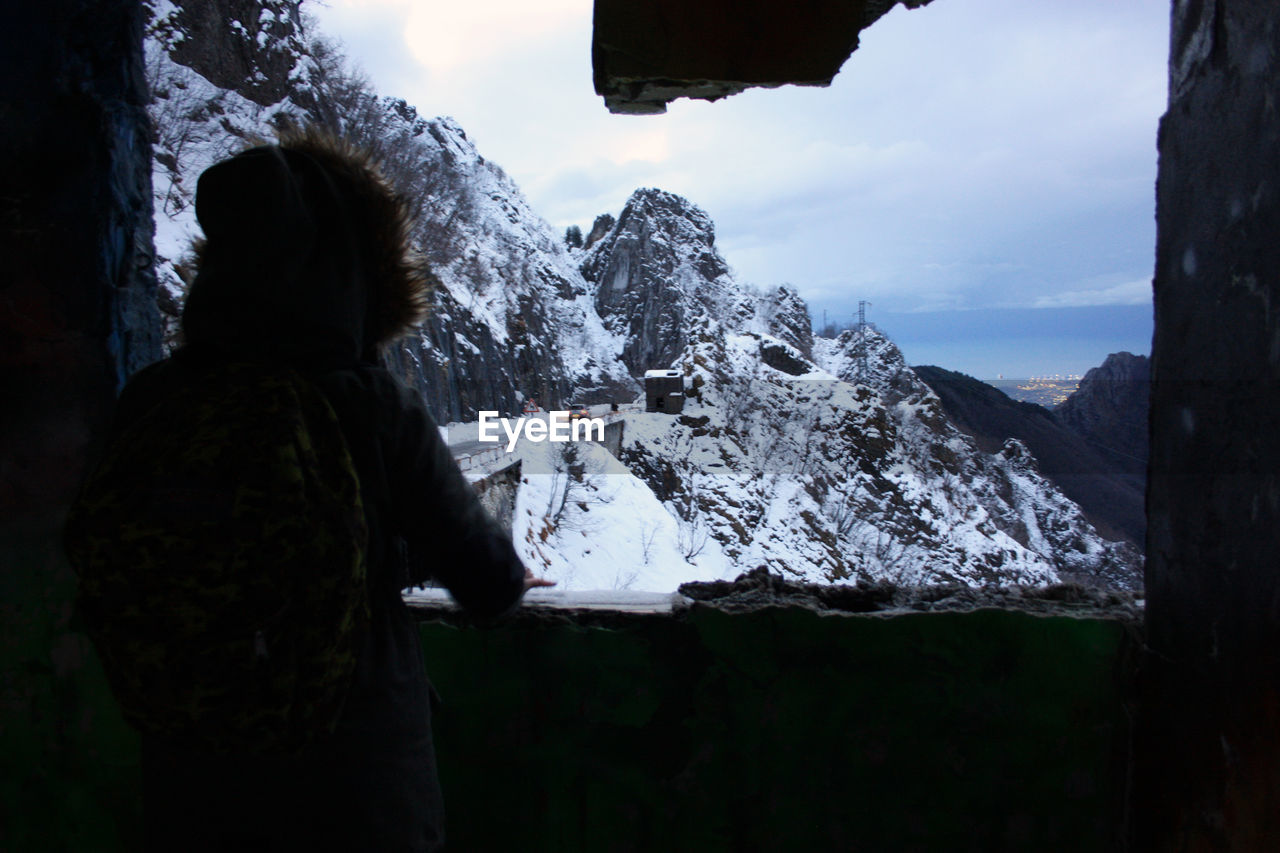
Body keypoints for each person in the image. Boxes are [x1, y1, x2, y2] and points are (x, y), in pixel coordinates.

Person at [124, 127, 553, 852]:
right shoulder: (371, 404)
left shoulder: (152, 400)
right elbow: (485, 581)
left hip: (191, 774)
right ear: (358, 272)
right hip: (354, 781)